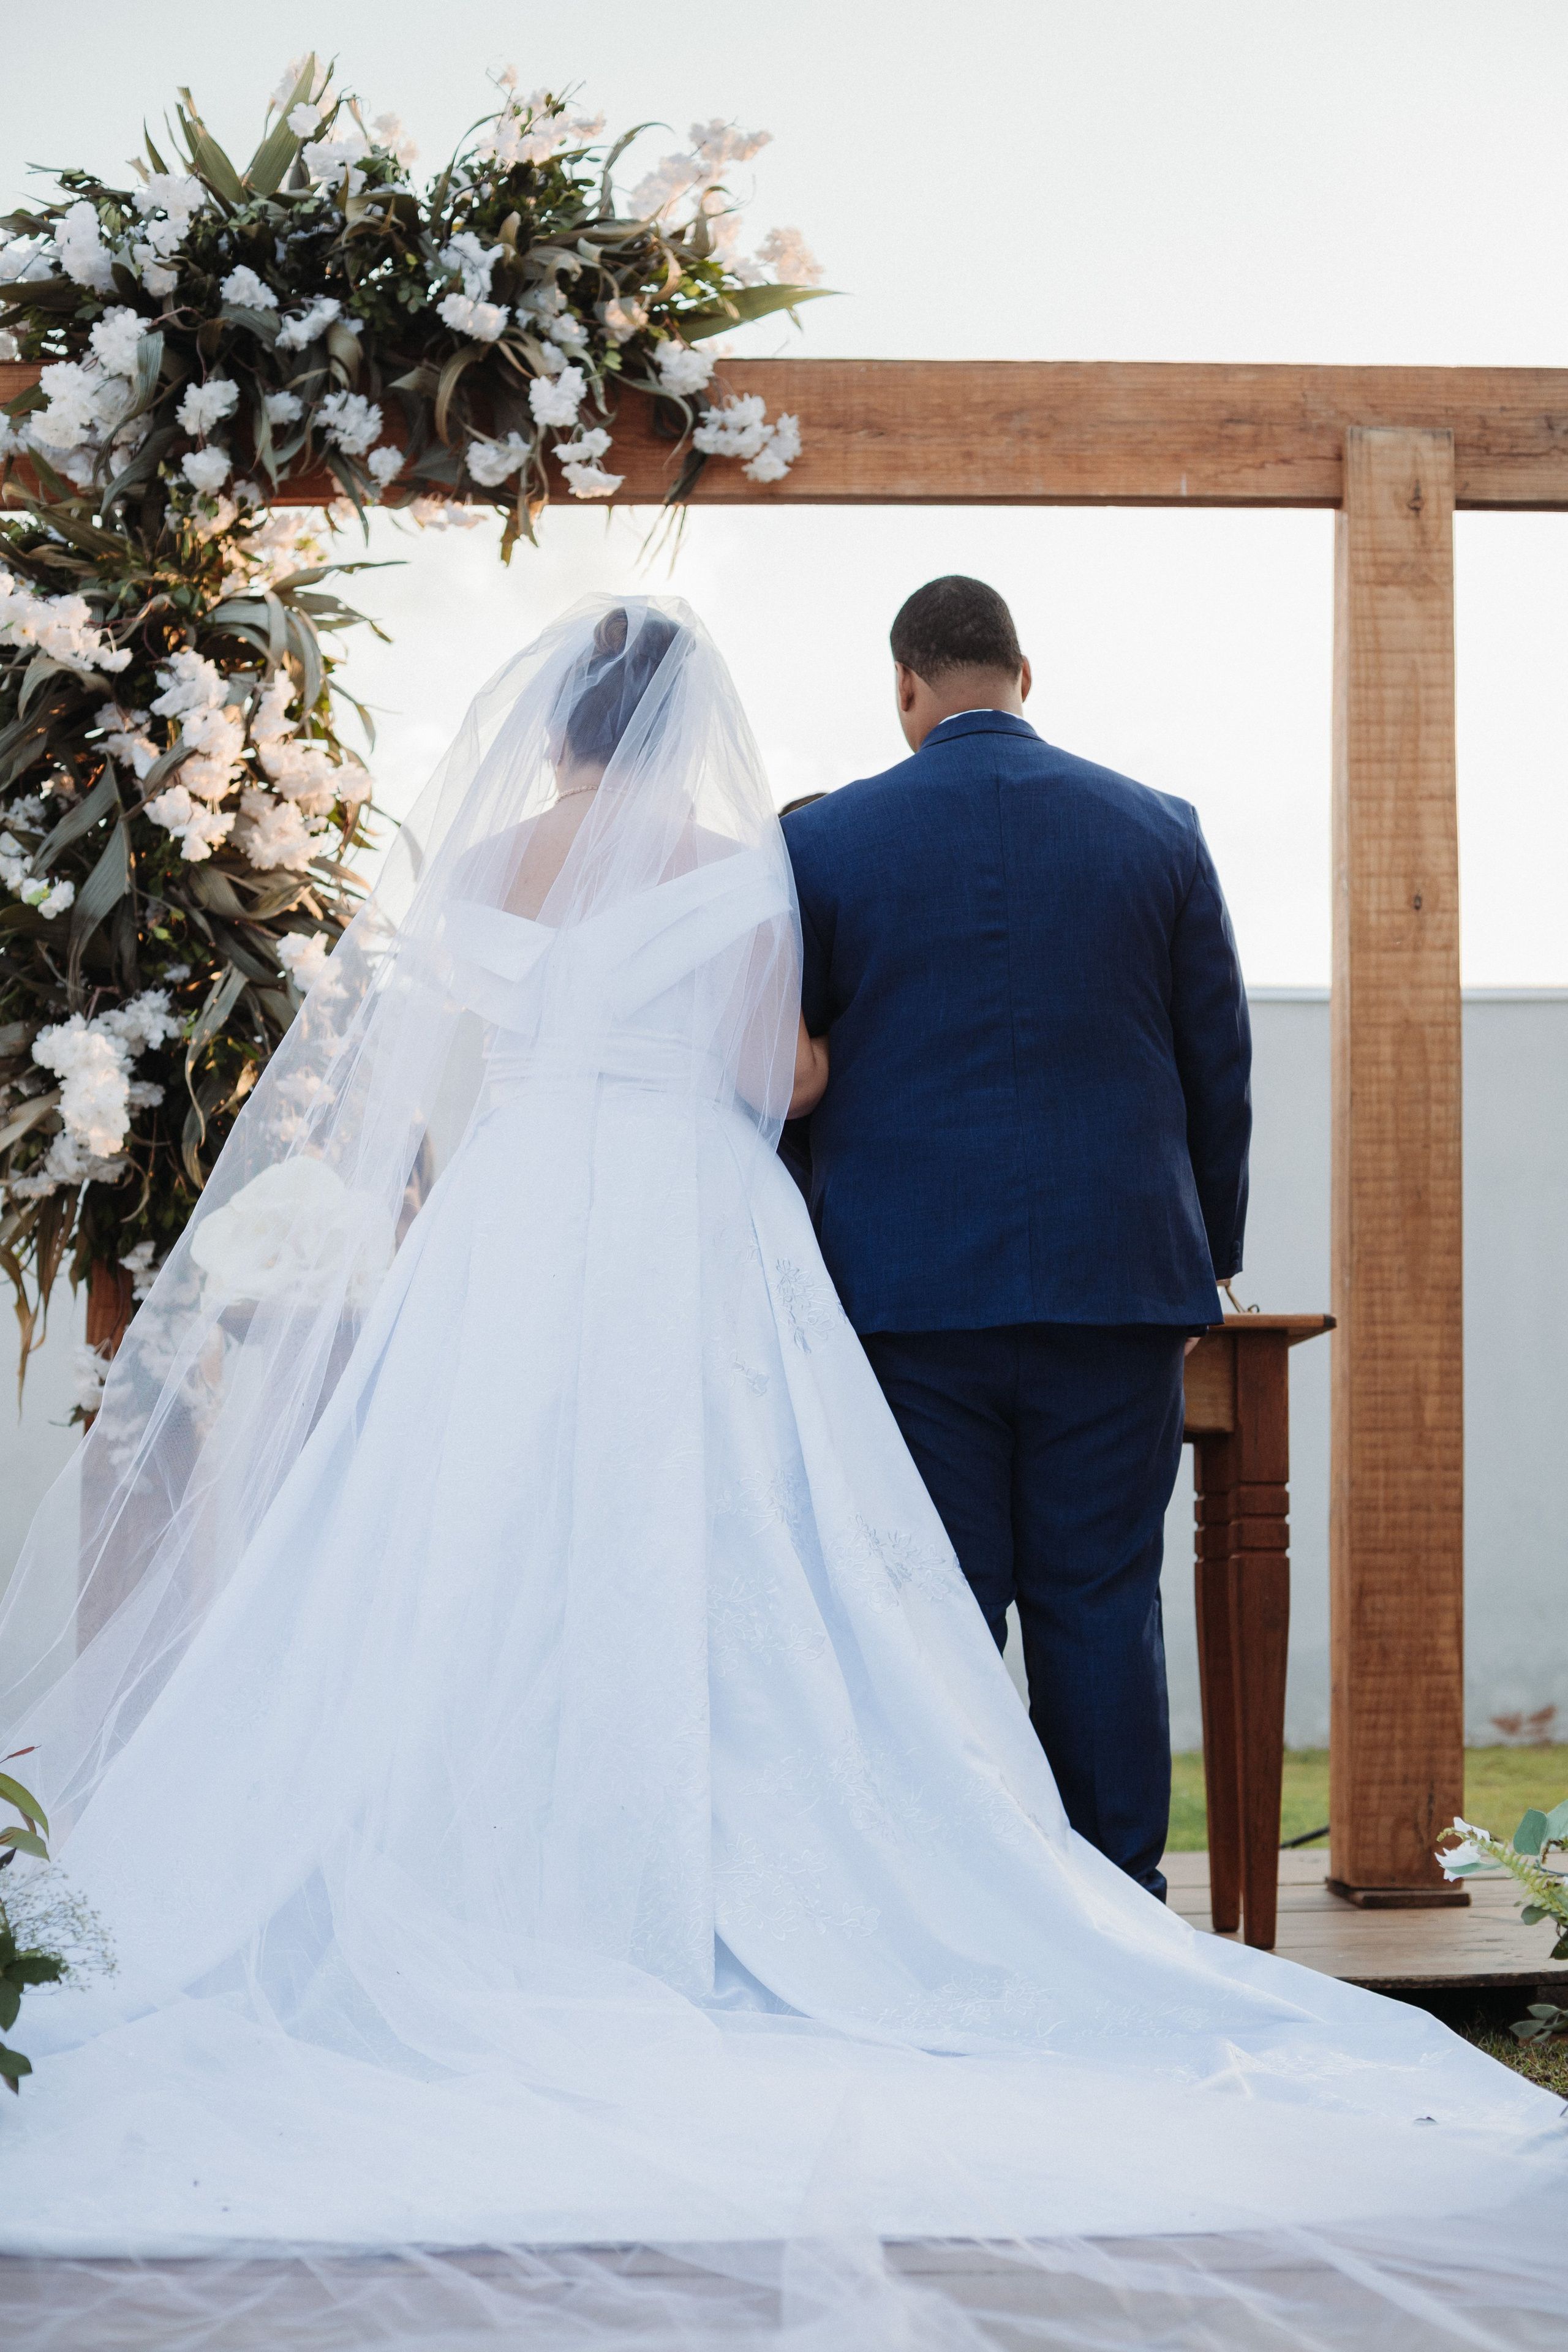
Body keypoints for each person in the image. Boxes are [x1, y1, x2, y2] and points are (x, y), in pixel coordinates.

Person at [0, 598, 1558, 2349]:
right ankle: (1050, 1892)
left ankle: (516, 1875)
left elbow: (449, 1086)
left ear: (564, 723)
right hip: (785, 1234)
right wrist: (1113, 1207)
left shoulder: (539, 863)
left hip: (542, 1234)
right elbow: (800, 1073)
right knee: (913, 1582)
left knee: (515, 1559)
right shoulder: (830, 857)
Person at [783, 576, 1251, 1900]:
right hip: (1118, 1283)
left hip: (905, 1290)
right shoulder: (1157, 830)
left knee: (934, 1611)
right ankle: (1121, 1908)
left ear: (904, 686)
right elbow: (1215, 1061)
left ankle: (958, 1905)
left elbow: (789, 1072)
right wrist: (1207, 1243)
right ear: (1022, 674)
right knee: (1100, 1602)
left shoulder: (826, 847)